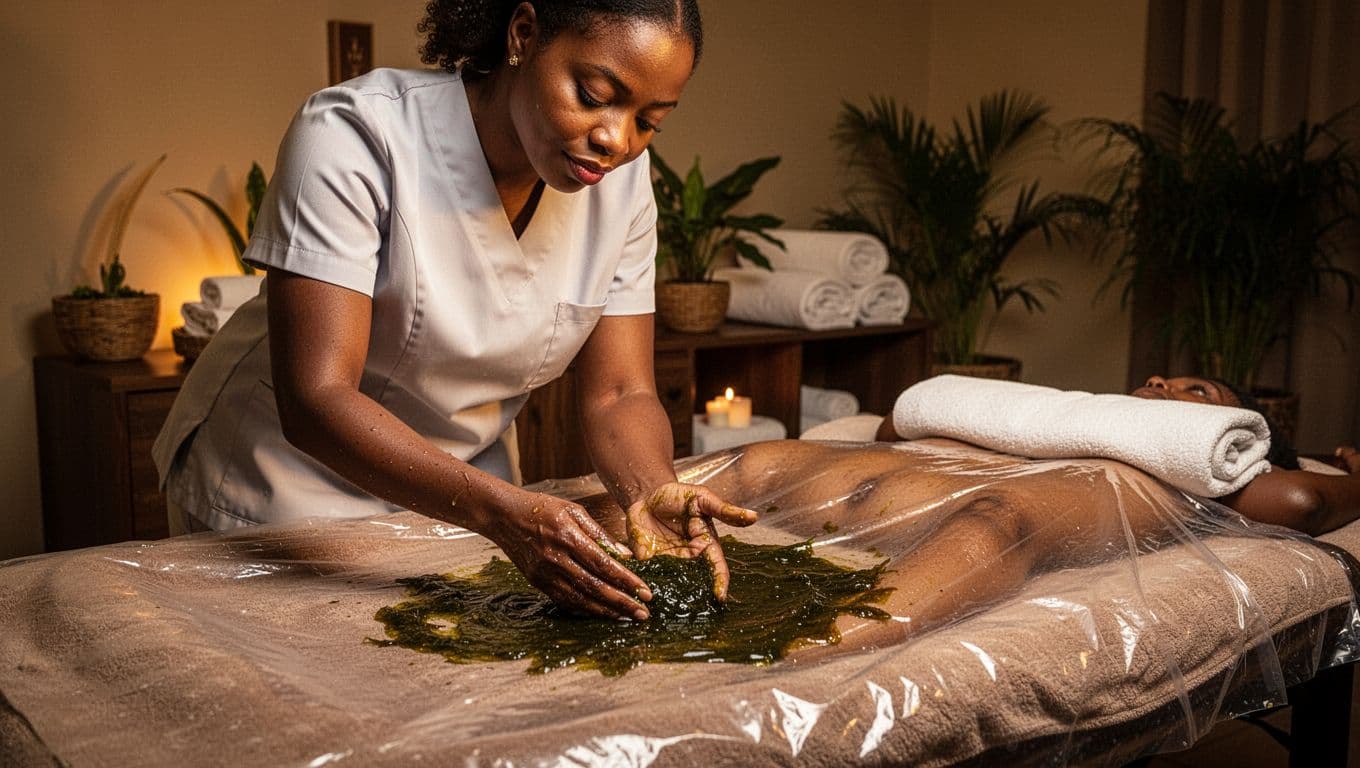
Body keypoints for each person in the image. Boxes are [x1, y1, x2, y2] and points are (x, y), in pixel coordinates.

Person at [152, 0, 756, 624]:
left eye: (650, 121)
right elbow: (317, 397)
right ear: (523, 34)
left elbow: (621, 392)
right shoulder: (354, 135)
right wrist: (500, 512)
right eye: (594, 95)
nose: (616, 139)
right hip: (286, 485)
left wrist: (650, 490)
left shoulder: (622, 182)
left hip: (469, 493)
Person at [582, 375, 1360, 650]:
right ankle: (548, 534)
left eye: (1199, 393)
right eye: (1162, 379)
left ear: (1232, 441)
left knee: (996, 515)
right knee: (729, 469)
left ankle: (795, 652)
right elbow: (899, 425)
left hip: (981, 527)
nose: (1162, 386)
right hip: (780, 493)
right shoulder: (1046, 426)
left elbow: (1303, 497)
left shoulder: (1205, 469)